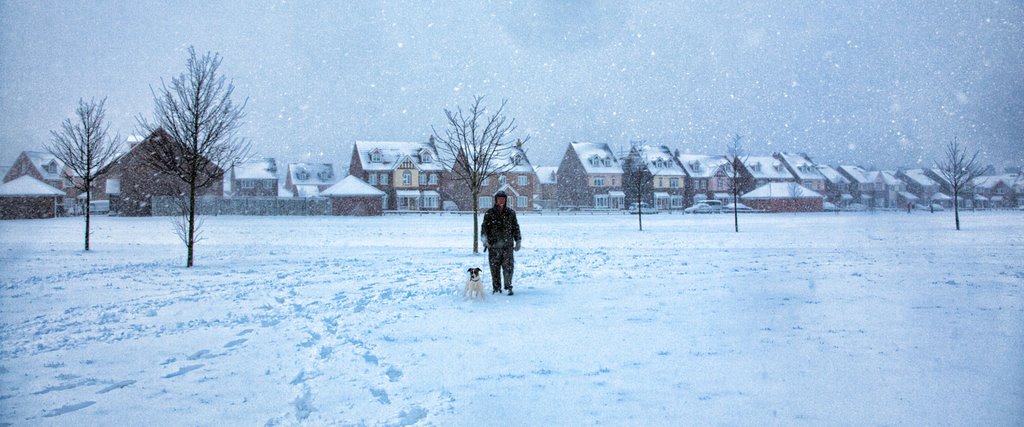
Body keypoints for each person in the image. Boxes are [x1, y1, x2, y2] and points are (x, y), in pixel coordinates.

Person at [481, 190, 521, 295]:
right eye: (499, 198)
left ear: (506, 200)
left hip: (507, 246)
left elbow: (515, 228)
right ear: (496, 200)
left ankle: (508, 287)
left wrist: (518, 241)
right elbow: (484, 228)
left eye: (503, 198)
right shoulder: (489, 213)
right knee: (494, 268)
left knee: (508, 268)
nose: (501, 200)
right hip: (493, 246)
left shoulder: (511, 213)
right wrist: (485, 240)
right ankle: (496, 288)